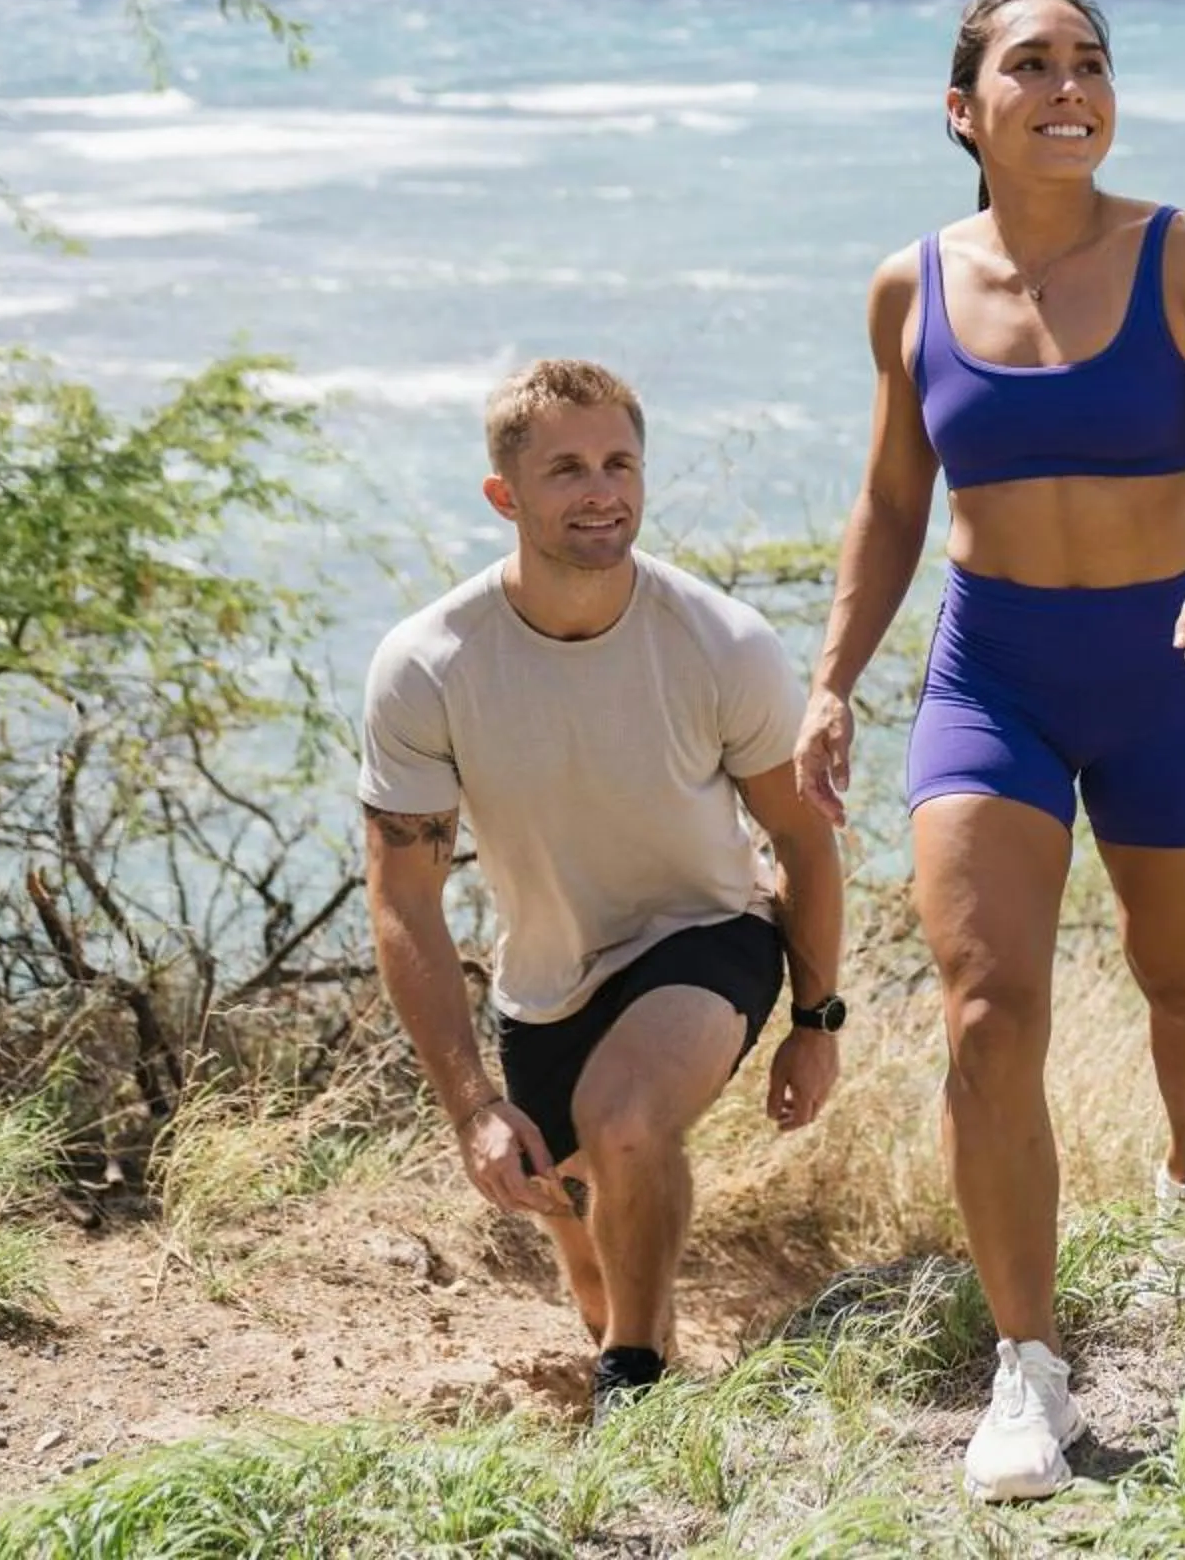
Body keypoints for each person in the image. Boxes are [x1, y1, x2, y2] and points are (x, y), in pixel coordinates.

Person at [795, 0, 1185, 1502]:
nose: (1070, 85)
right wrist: (831, 681)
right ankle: (1030, 1374)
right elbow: (891, 505)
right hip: (992, 675)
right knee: (986, 1011)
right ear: (966, 111)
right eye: (1032, 66)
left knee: (1184, 982)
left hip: (1165, 667)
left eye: (1090, 61)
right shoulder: (909, 288)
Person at [360, 358, 847, 1415]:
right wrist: (474, 1106)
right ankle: (650, 1356)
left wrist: (817, 1016)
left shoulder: (721, 640)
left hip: (706, 933)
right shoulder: (430, 663)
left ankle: (637, 1386)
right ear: (506, 494)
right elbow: (405, 901)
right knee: (594, 1273)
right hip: (544, 991)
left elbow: (804, 842)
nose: (602, 490)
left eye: (621, 462)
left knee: (625, 1118)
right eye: (569, 468)